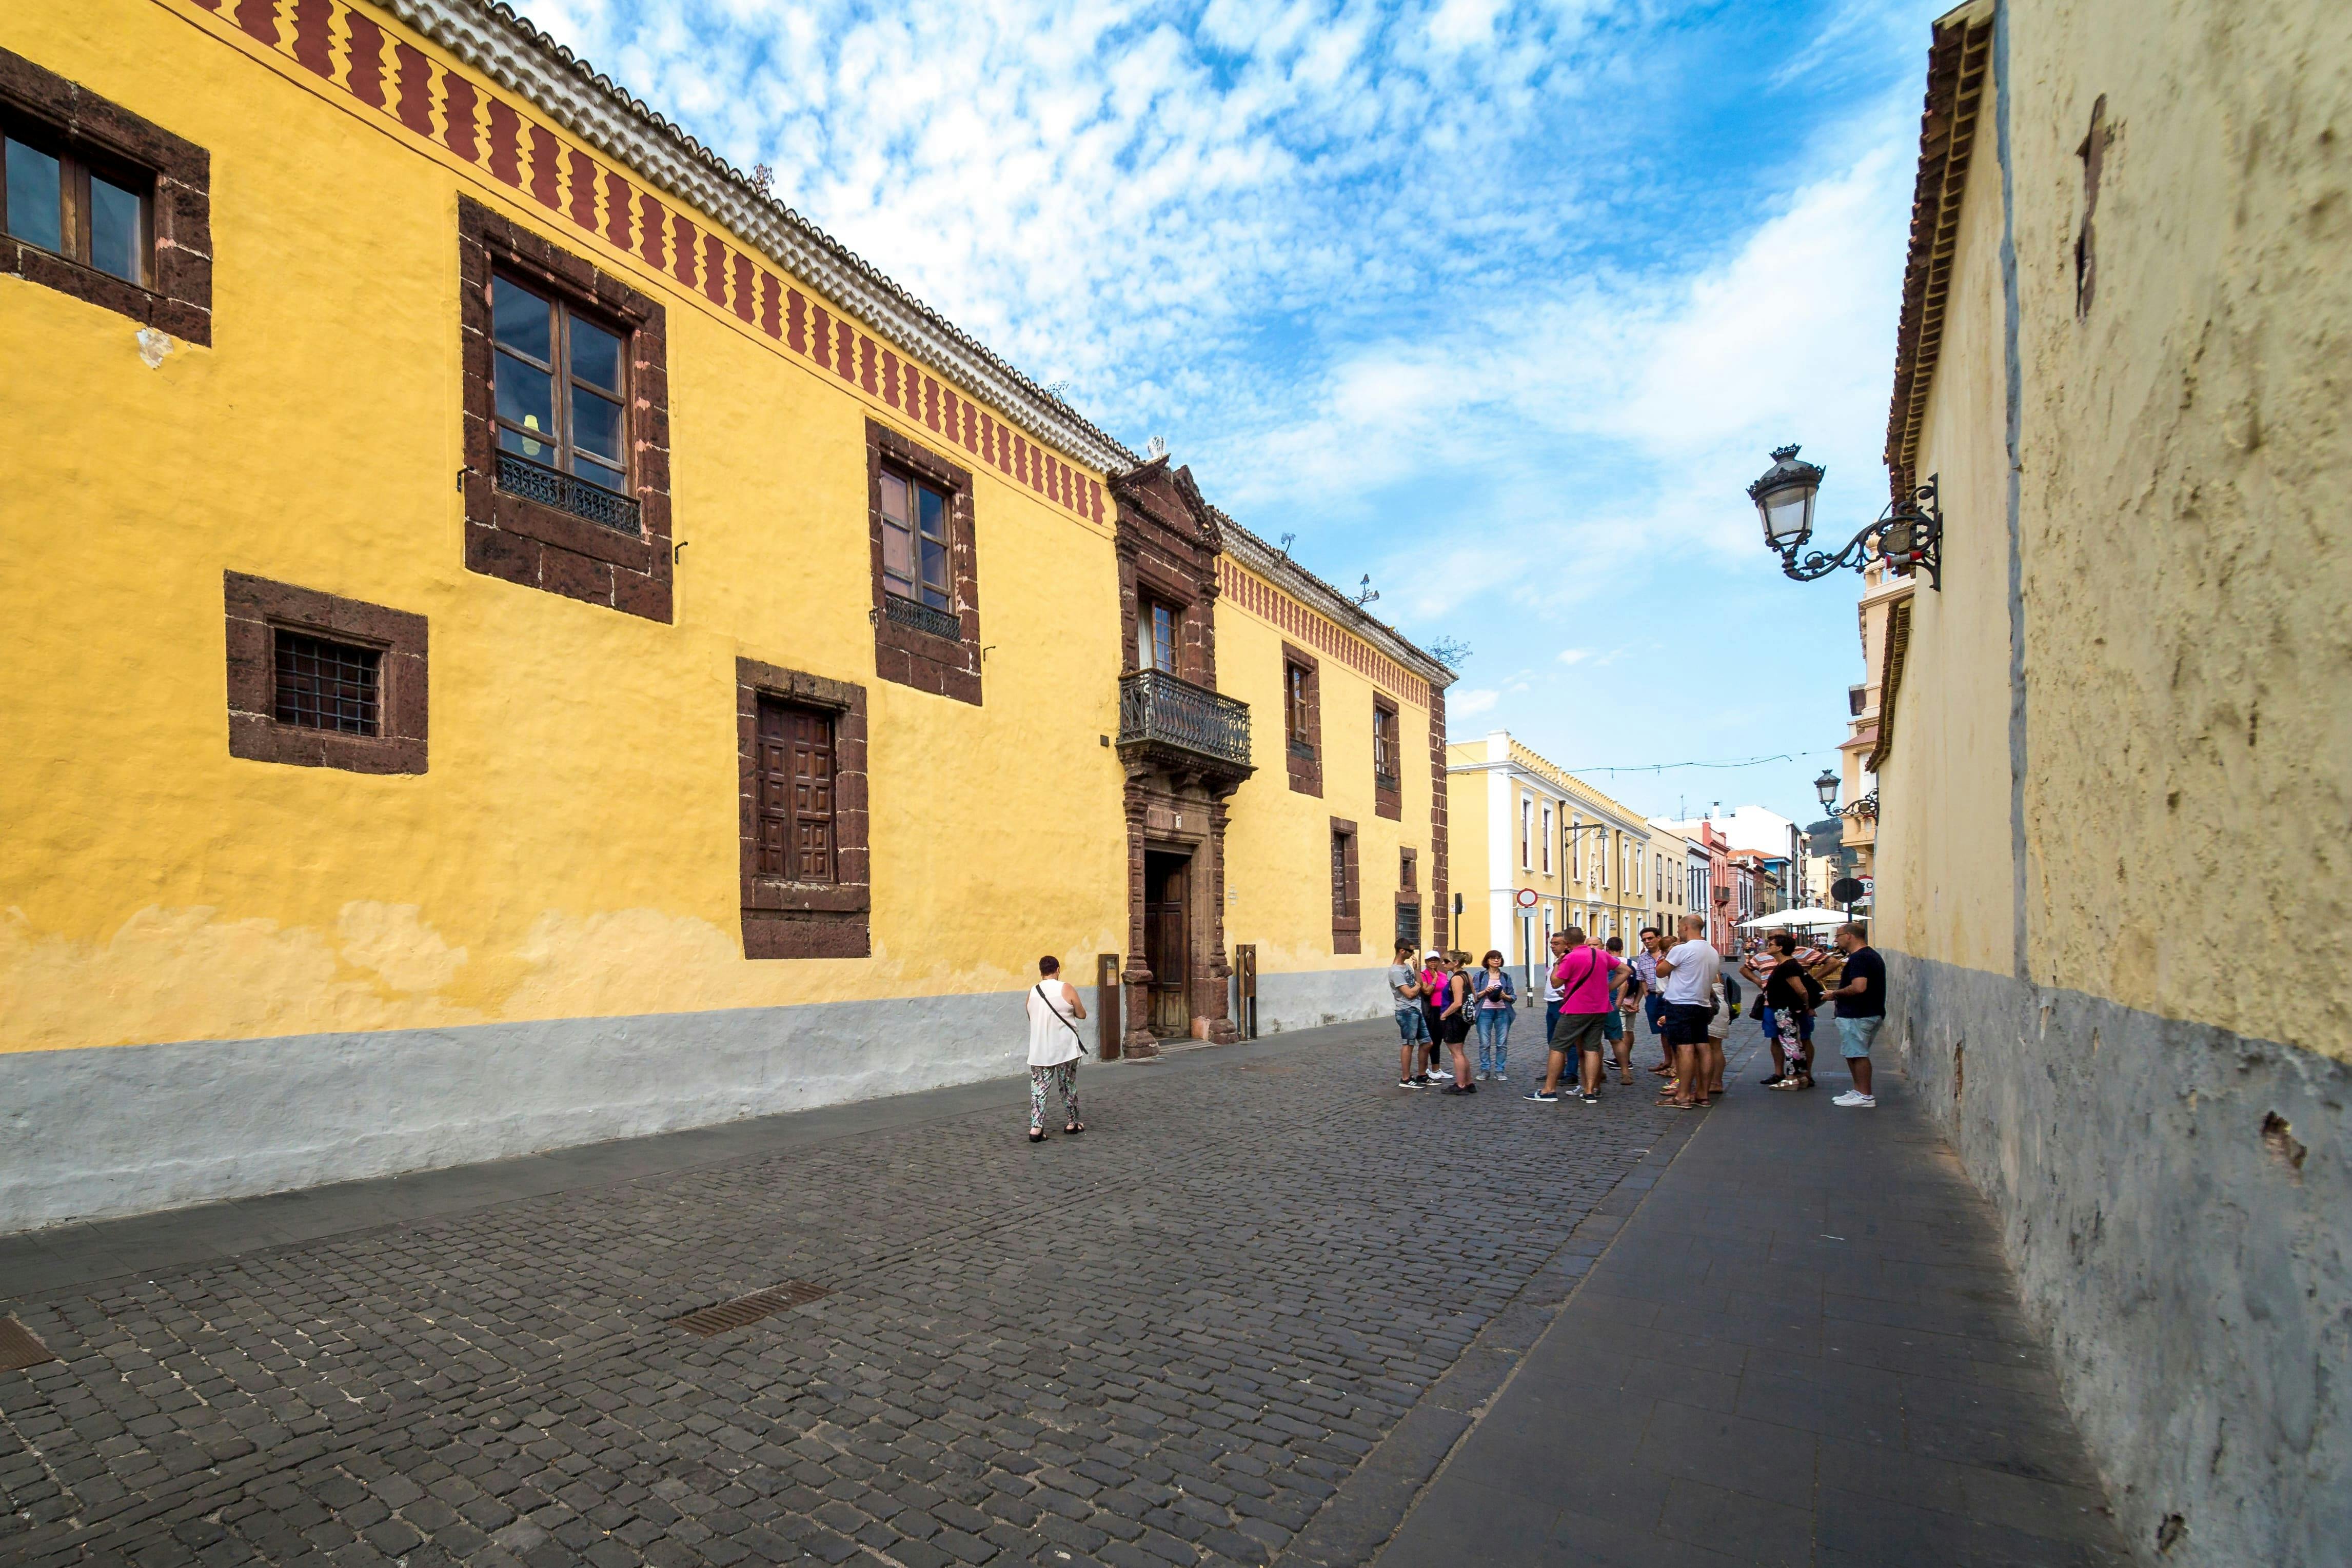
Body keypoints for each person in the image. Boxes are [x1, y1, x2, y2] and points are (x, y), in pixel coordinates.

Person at [1524, 927, 1620, 1106]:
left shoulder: (1571, 958)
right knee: (1592, 1048)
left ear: (1567, 943)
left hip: (1576, 1008)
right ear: (1583, 939)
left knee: (1558, 1046)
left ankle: (1549, 1090)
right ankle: (1590, 1091)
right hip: (1599, 1008)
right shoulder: (1600, 954)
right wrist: (1607, 989)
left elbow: (1555, 982)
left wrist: (1557, 964)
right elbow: (1625, 971)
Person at [1653, 914, 1720, 1109]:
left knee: (1685, 1049)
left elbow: (1660, 972)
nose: (1678, 931)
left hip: (1681, 1003)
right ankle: (1702, 1095)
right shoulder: (1712, 951)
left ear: (1686, 928)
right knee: (1703, 1047)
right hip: (1703, 1003)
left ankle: (1682, 1096)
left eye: (1679, 928)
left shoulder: (1682, 949)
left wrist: (1667, 954)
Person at [1824, 922, 1887, 1107]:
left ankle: (1865, 1095)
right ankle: (1858, 1090)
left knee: (1858, 1054)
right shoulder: (1867, 956)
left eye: (1838, 936)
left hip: (1859, 1013)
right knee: (1852, 1053)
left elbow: (1859, 987)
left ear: (1849, 936)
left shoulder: (1861, 958)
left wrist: (1834, 994)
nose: (1836, 940)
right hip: (1862, 1012)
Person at [1025, 956, 1088, 1142]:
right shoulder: (1066, 988)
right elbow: (1082, 1014)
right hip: (1065, 1049)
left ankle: (1036, 1128)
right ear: (1058, 969)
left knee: (1038, 1089)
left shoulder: (1033, 992)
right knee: (1068, 1086)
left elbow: (1031, 1016)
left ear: (1041, 972)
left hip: (1040, 1050)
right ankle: (1072, 1123)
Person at [1760, 931, 1824, 1091]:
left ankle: (1791, 1079)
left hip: (1786, 1010)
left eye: (1771, 944)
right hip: (1786, 1009)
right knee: (1795, 1043)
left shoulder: (1788, 966)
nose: (1768, 946)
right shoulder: (1788, 965)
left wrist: (1807, 1006)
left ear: (1780, 948)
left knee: (1789, 1044)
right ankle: (1801, 1076)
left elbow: (1801, 990)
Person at [1389, 941, 1431, 1088]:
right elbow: (1409, 993)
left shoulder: (1406, 967)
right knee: (1408, 1044)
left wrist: (1417, 969)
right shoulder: (1395, 972)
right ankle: (1406, 1079)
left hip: (1416, 1009)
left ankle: (1422, 1075)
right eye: (1411, 951)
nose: (1413, 954)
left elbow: (1420, 984)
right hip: (1406, 1011)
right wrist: (1418, 986)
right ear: (1402, 951)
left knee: (1427, 1043)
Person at [1472, 950, 1516, 1081]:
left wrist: (1505, 996)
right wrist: (1485, 991)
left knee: (1502, 1043)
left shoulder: (1506, 977)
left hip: (1503, 1012)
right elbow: (1474, 995)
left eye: (1499, 958)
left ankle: (1500, 1070)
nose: (1496, 960)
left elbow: (1513, 996)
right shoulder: (1480, 976)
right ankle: (1485, 1070)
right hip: (1484, 1011)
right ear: (1487, 961)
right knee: (1485, 1043)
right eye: (1493, 958)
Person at [1633, 927, 1672, 1077]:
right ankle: (1668, 1061)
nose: (1647, 942)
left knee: (1672, 1029)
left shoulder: (1669, 954)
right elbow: (1641, 979)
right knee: (1662, 1030)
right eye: (1644, 940)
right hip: (1653, 997)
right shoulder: (1643, 958)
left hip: (1670, 997)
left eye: (1650, 938)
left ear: (1658, 938)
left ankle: (1676, 1064)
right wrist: (1645, 995)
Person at [1438, 952, 1478, 1094]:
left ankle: (1460, 1084)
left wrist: (1444, 1015)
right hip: (1464, 1019)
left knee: (1456, 1053)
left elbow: (1458, 1003)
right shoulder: (1467, 975)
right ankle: (1469, 1082)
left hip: (1455, 1018)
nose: (1443, 964)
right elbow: (1474, 997)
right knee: (1460, 1052)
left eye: (1446, 961)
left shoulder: (1456, 978)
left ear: (1455, 963)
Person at [1602, 936, 1639, 1084]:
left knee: (1617, 1038)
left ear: (1605, 947)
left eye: (1595, 945)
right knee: (1596, 1041)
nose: (1592, 948)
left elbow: (1624, 983)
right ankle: (1600, 1073)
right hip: (1600, 1005)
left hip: (1610, 1005)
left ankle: (1625, 1072)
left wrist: (1617, 1004)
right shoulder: (1631, 962)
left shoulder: (1610, 962)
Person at [1419, 951, 1455, 1082]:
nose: (1433, 962)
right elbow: (1427, 991)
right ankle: (1427, 1069)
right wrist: (1434, 979)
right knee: (1431, 1040)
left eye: (1435, 960)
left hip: (1443, 1009)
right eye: (1430, 960)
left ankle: (1437, 1069)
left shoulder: (1443, 975)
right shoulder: (1423, 975)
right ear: (1426, 962)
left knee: (1439, 1040)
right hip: (1431, 1011)